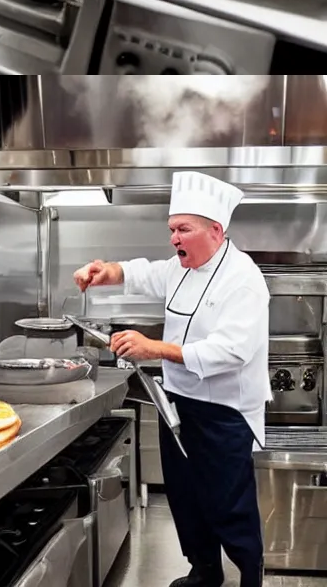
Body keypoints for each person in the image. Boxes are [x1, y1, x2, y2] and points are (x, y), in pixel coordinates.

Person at [72, 172, 268, 587]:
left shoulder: (243, 279)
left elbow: (231, 351)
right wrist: (109, 270)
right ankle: (204, 570)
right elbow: (147, 273)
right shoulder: (182, 267)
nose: (174, 239)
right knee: (186, 496)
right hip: (178, 402)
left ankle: (249, 577)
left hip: (224, 411)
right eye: (171, 230)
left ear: (215, 230)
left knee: (229, 503)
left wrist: (154, 348)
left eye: (183, 230)